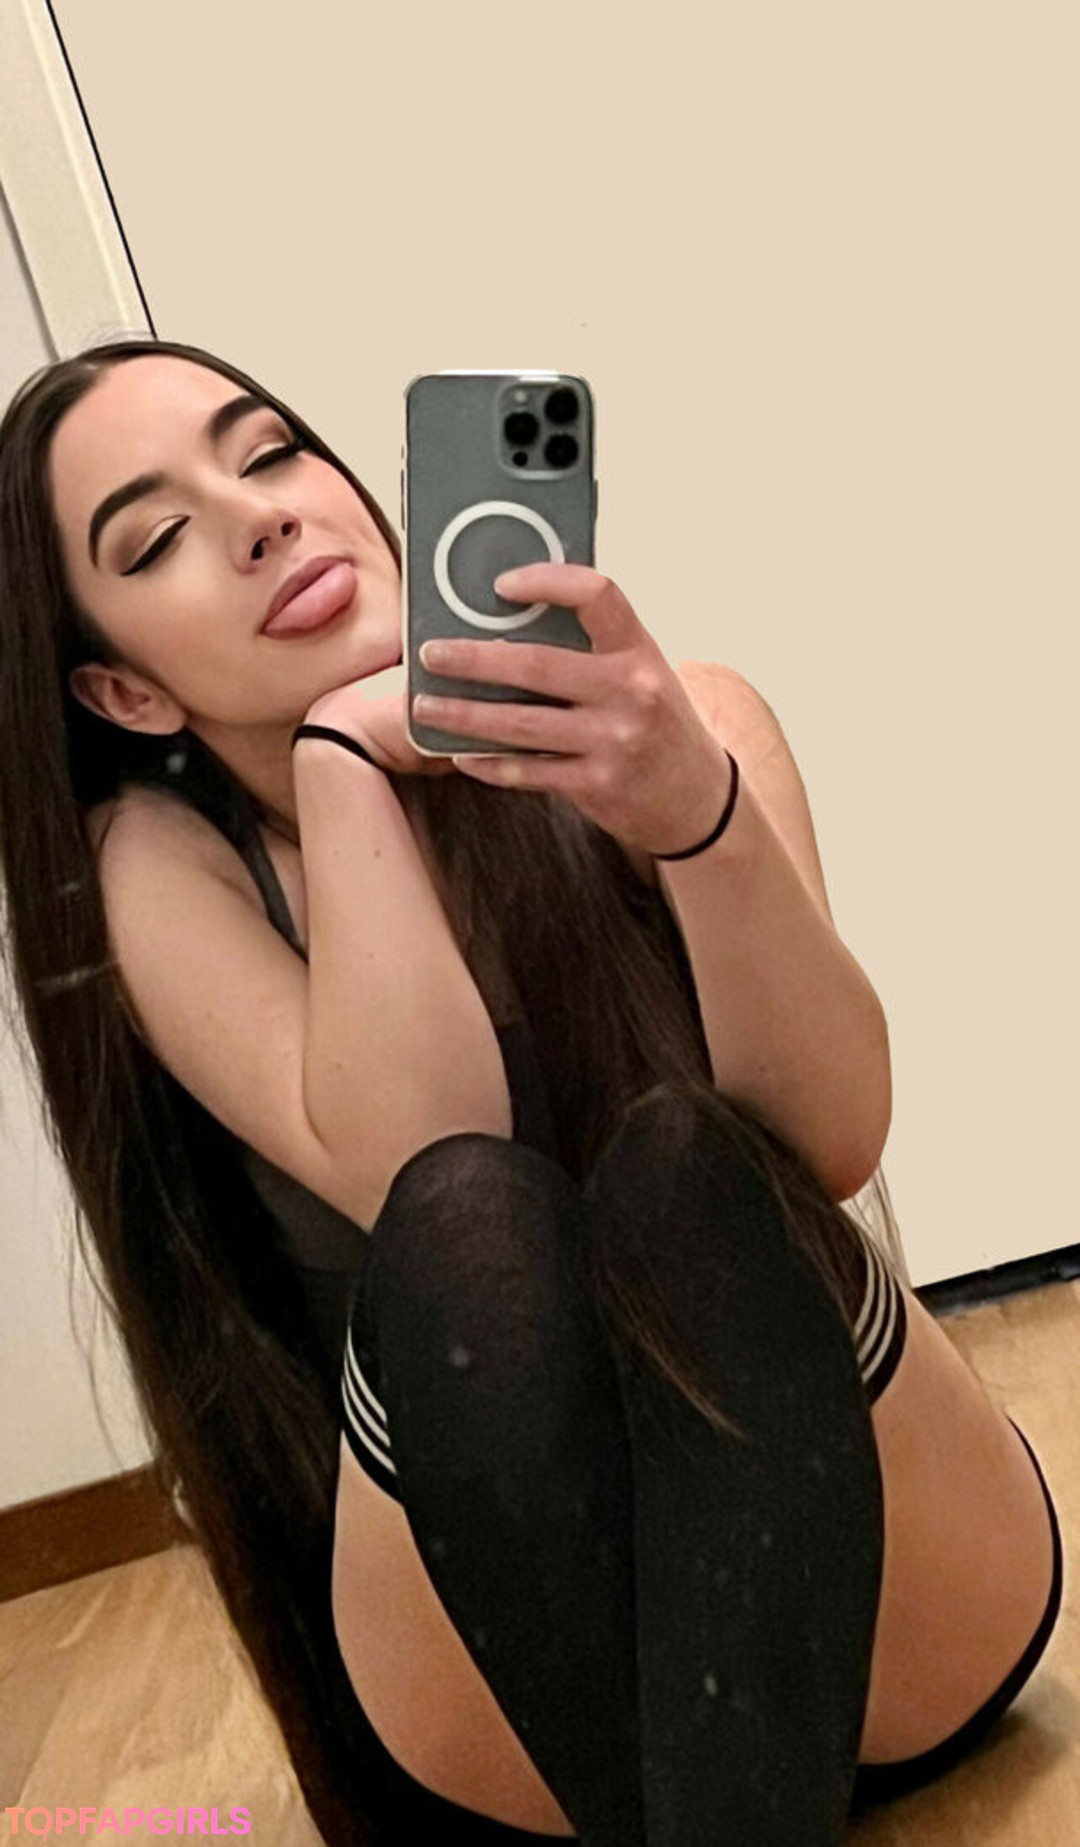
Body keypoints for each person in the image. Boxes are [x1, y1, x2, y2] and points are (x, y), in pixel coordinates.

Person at [0, 334, 1061, 1845]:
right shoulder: (162, 871)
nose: (259, 519)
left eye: (272, 453)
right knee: (464, 1219)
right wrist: (344, 761)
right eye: (160, 535)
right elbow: (423, 1161)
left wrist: (696, 818)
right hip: (527, 1724)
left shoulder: (690, 722)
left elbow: (830, 1143)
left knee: (691, 1168)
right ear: (124, 688)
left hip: (903, 1611)